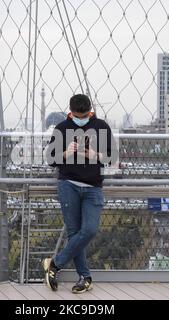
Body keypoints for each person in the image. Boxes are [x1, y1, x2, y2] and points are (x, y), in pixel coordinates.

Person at [44, 94, 118, 294]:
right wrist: (67, 153)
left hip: (93, 187)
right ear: (71, 112)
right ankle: (85, 278)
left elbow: (112, 158)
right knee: (75, 233)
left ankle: (55, 264)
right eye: (78, 116)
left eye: (84, 116)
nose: (81, 119)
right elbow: (50, 160)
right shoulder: (61, 129)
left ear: (90, 112)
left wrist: (95, 155)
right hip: (68, 185)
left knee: (90, 230)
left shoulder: (101, 127)